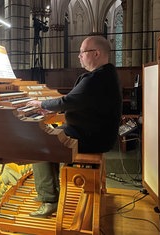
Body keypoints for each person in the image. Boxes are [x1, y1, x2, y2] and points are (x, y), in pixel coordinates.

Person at [26, 35, 122, 218]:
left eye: (82, 52)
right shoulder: (106, 74)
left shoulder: (97, 78)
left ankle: (50, 200)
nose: (79, 56)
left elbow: (69, 100)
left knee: (39, 144)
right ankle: (51, 190)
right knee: (51, 132)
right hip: (96, 133)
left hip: (90, 137)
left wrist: (41, 104)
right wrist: (53, 110)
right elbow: (81, 103)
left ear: (96, 53)